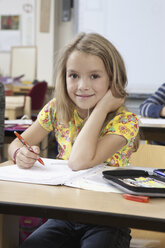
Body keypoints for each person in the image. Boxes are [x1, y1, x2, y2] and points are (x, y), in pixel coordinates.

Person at [8, 32, 139, 248]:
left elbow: (79, 162)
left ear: (113, 80)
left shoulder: (125, 122)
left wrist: (103, 107)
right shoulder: (56, 109)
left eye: (94, 76)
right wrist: (18, 154)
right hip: (65, 215)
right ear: (64, 77)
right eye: (74, 75)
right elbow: (17, 142)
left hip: (108, 219)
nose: (82, 86)